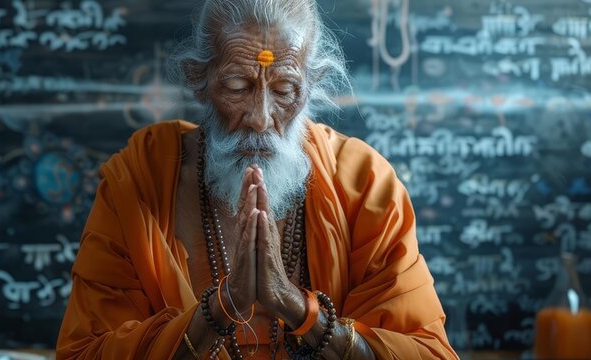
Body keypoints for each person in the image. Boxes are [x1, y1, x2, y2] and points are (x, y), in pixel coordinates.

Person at [57, 0, 458, 358]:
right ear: (199, 80)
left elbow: (426, 352)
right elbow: (86, 353)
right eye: (237, 86)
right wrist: (223, 306)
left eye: (284, 89)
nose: (260, 118)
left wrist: (297, 308)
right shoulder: (140, 181)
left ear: (312, 86)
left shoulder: (365, 185)